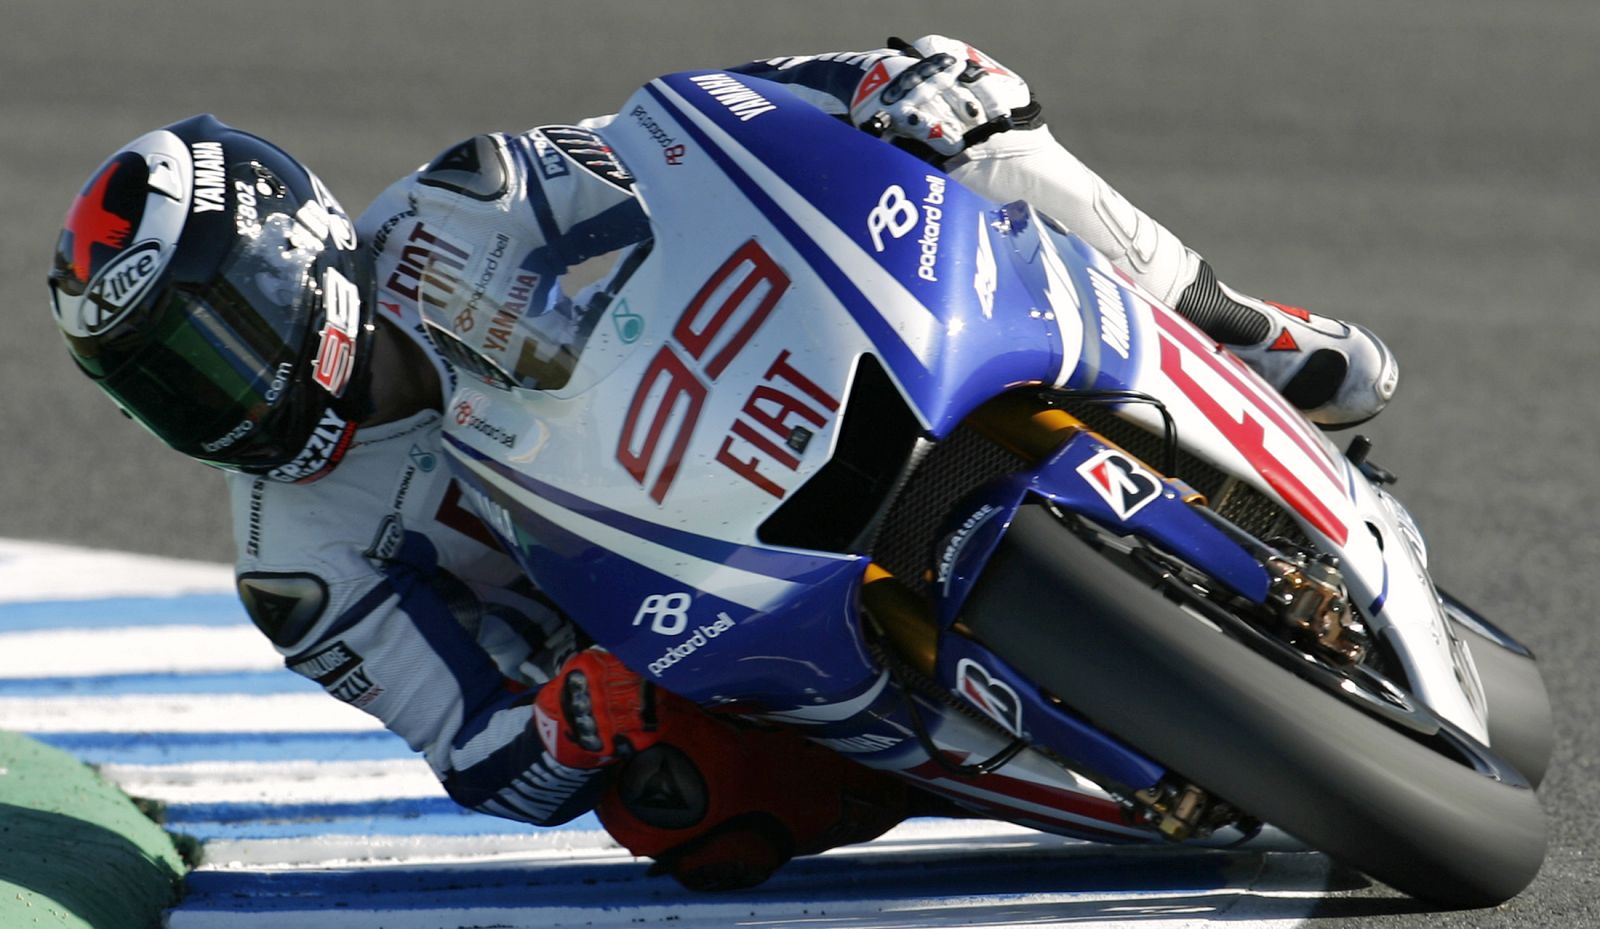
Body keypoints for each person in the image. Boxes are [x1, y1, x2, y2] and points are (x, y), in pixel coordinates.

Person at [45, 36, 1396, 891]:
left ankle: (1232, 329)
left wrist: (857, 89)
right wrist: (564, 720)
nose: (213, 401)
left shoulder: (463, 198)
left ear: (301, 258)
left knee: (960, 105)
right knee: (681, 814)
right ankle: (1036, 755)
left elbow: (692, 147)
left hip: (761, 403)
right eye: (167, 384)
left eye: (215, 344)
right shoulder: (297, 563)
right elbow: (472, 752)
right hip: (683, 628)